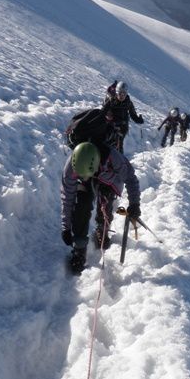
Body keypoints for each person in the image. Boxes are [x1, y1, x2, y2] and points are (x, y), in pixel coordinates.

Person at [61, 141, 141, 273]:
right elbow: (67, 197)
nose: (85, 178)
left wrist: (134, 203)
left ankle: (102, 229)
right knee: (82, 204)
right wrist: (66, 227)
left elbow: (130, 178)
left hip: (108, 177)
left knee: (106, 200)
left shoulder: (114, 158)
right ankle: (80, 249)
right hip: (90, 172)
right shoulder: (71, 167)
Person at [102, 81, 144, 153]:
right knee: (108, 143)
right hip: (112, 125)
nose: (122, 96)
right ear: (117, 93)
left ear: (126, 93)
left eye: (124, 93)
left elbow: (133, 114)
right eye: (120, 93)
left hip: (122, 127)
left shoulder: (128, 103)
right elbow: (103, 112)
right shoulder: (111, 100)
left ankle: (119, 161)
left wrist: (139, 120)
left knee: (119, 145)